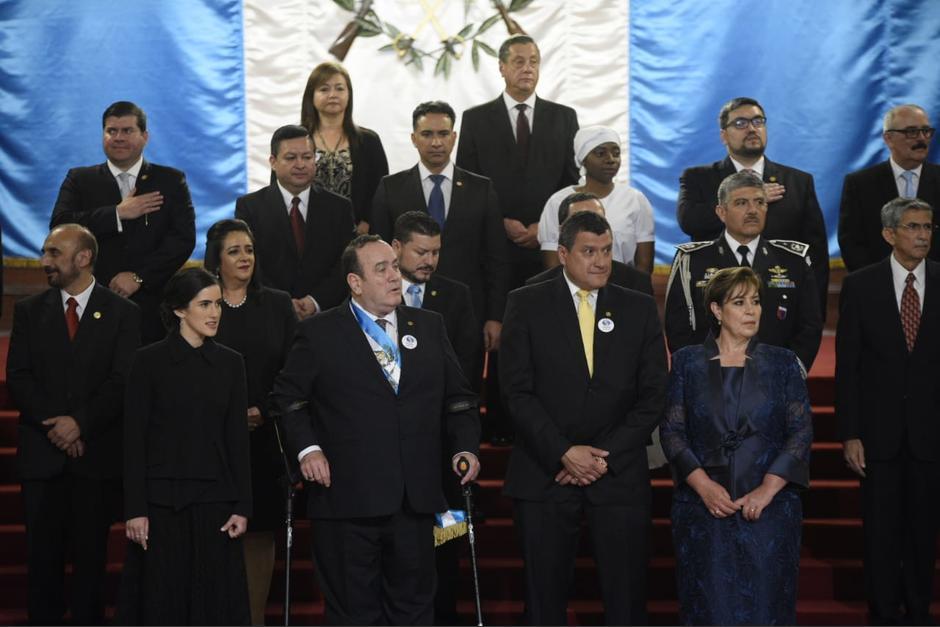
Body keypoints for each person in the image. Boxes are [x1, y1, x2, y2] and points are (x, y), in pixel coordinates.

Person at [271, 235, 481, 625]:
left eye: (394, 267)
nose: (394, 277)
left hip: (416, 501)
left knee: (415, 609)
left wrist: (465, 449)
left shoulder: (430, 325)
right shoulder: (320, 332)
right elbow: (288, 399)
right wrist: (307, 450)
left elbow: (460, 399)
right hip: (348, 501)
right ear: (355, 282)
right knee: (354, 612)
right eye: (380, 269)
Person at [500, 211, 667, 625]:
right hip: (544, 474)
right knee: (544, 601)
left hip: (618, 474)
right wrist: (563, 452)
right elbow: (515, 392)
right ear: (562, 254)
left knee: (626, 600)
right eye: (589, 251)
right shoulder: (525, 303)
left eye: (607, 250)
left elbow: (653, 397)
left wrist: (600, 456)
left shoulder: (639, 307)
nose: (601, 261)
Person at [661, 266, 812, 625]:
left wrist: (766, 490)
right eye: (739, 302)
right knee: (710, 608)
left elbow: (800, 432)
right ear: (716, 310)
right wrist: (704, 487)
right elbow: (672, 431)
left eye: (756, 302)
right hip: (703, 512)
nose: (751, 311)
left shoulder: (783, 363)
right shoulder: (687, 362)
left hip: (770, 511)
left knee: (766, 608)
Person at [6, 224, 140, 625]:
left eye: (53, 253)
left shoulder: (123, 314)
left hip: (94, 461)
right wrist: (59, 429)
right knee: (41, 567)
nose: (44, 261)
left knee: (90, 568)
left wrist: (80, 424)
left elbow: (123, 380)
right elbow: (19, 377)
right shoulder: (30, 311)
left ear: (83, 258)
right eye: (45, 253)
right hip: (42, 462)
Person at [118, 267, 251, 625]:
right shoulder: (147, 362)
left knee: (214, 606)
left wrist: (243, 505)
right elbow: (134, 441)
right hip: (162, 505)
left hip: (217, 505)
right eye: (204, 304)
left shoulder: (231, 363)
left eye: (218, 305)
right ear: (179, 310)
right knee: (163, 604)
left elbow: (237, 439)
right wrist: (135, 509)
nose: (214, 313)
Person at [837, 197, 940, 624]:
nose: (923, 236)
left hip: (931, 436)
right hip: (877, 437)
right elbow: (849, 366)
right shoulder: (860, 285)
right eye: (914, 227)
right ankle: (882, 614)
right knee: (880, 536)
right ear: (889, 234)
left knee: (923, 537)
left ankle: (918, 612)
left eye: (928, 227)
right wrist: (850, 433)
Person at [204, 219, 298, 626]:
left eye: (249, 250)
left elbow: (295, 368)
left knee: (259, 532)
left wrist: (264, 406)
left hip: (264, 437)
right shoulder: (201, 301)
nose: (245, 258)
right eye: (234, 251)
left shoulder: (277, 304)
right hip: (210, 441)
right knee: (213, 533)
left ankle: (254, 619)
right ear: (217, 259)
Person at [390, 211, 479, 624]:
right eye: (421, 251)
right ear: (396, 249)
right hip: (387, 454)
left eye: (436, 252)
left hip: (441, 453)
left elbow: (462, 375)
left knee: (445, 556)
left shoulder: (456, 296)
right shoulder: (373, 294)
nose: (429, 260)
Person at [50, 100, 196, 344]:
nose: (118, 137)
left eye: (127, 131)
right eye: (111, 131)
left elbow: (183, 239)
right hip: (91, 299)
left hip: (152, 304)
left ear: (145, 136)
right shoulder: (80, 179)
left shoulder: (170, 181)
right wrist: (116, 213)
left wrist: (139, 277)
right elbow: (60, 226)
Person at [371, 100, 510, 354]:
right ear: (414, 138)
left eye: (443, 134)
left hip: (467, 312)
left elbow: (496, 258)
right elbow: (378, 256)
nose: (436, 142)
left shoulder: (481, 188)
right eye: (427, 134)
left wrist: (495, 316)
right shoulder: (391, 188)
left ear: (454, 136)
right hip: (402, 309)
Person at [677, 97, 829, 317]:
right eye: (740, 123)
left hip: (781, 308)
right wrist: (748, 197)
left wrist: (815, 312)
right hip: (718, 305)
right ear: (724, 135)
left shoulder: (797, 181)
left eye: (758, 121)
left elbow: (815, 253)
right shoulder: (698, 178)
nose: (751, 128)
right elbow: (689, 221)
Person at [665, 170, 823, 372]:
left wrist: (789, 374)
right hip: (710, 381)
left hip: (776, 379)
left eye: (759, 202)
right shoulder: (692, 261)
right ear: (721, 212)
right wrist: (700, 376)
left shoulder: (793, 260)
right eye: (741, 203)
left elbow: (809, 326)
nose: (752, 210)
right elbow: (678, 329)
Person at [456, 34, 579, 288]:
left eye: (533, 62)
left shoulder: (564, 118)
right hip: (493, 246)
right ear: (502, 67)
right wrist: (499, 222)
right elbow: (467, 184)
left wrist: (544, 226)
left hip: (550, 245)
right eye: (519, 61)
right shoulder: (475, 119)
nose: (527, 68)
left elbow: (571, 183)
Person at [236, 124, 356, 319]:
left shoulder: (339, 207)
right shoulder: (250, 207)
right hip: (269, 315)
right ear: (273, 162)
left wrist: (315, 301)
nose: (300, 164)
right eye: (291, 158)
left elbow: (346, 263)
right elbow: (250, 264)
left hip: (327, 315)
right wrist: (283, 302)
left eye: (307, 157)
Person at [537, 126, 655, 273]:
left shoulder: (635, 199)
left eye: (616, 153)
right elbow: (552, 263)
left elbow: (644, 264)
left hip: (623, 289)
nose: (611, 159)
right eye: (600, 153)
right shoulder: (558, 200)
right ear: (583, 159)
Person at [838, 104, 940, 271]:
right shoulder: (860, 184)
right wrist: (879, 282)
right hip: (878, 287)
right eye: (911, 132)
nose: (921, 138)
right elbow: (851, 242)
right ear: (888, 138)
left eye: (926, 131)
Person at [300, 61, 388, 234]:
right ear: (311, 96)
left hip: (357, 234)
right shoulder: (295, 140)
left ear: (349, 94)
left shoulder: (369, 141)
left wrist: (368, 222)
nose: (333, 94)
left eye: (339, 88)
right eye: (324, 89)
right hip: (306, 231)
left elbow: (382, 191)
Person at [528, 192, 653, 296]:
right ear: (562, 231)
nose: (592, 227)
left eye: (598, 220)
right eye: (581, 221)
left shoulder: (636, 284)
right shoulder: (534, 291)